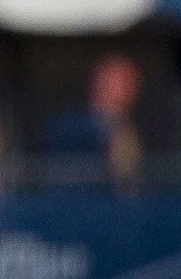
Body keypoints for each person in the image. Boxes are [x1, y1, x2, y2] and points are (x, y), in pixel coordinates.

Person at [42, 51, 143, 192]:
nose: (108, 86)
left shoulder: (135, 128)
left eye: (125, 80)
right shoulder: (68, 126)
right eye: (107, 79)